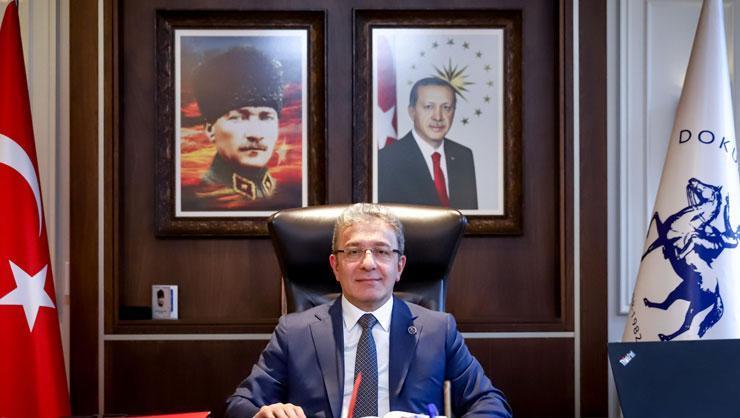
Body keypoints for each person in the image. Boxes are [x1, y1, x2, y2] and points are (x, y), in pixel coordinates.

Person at [224, 203, 511, 418]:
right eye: (353, 252)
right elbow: (239, 405)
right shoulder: (294, 332)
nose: (368, 263)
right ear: (336, 266)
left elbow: (491, 404)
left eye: (382, 251)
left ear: (399, 266)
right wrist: (261, 414)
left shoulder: (438, 330)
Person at [184, 46, 300, 211]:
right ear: (210, 130)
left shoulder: (286, 195)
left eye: (266, 117)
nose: (255, 134)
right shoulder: (200, 201)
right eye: (238, 118)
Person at [378, 77, 478, 210]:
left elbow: (470, 217)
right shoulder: (386, 160)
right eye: (429, 107)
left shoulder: (463, 155)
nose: (438, 117)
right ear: (412, 112)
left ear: (453, 112)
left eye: (446, 108)